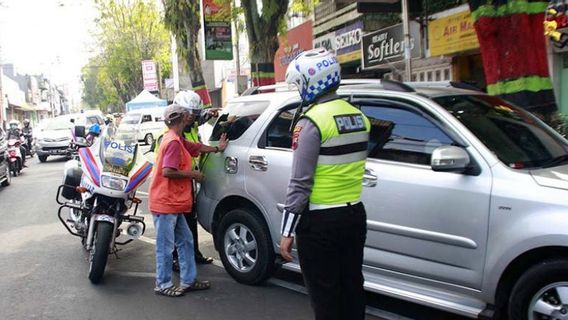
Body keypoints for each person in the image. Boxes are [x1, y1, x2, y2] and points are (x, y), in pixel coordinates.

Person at [279, 49, 370, 320]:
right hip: (354, 216)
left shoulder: (312, 122)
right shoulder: (359, 117)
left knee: (325, 297)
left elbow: (300, 183)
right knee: (352, 288)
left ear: (312, 81)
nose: (299, 90)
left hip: (321, 223)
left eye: (299, 84)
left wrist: (287, 231)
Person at [148, 104, 228, 297]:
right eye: (188, 115)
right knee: (166, 247)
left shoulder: (176, 138)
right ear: (183, 118)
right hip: (166, 202)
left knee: (185, 241)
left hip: (172, 203)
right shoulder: (173, 142)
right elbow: (168, 171)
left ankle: (188, 280)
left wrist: (218, 148)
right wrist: (193, 174)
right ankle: (163, 283)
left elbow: (195, 147)